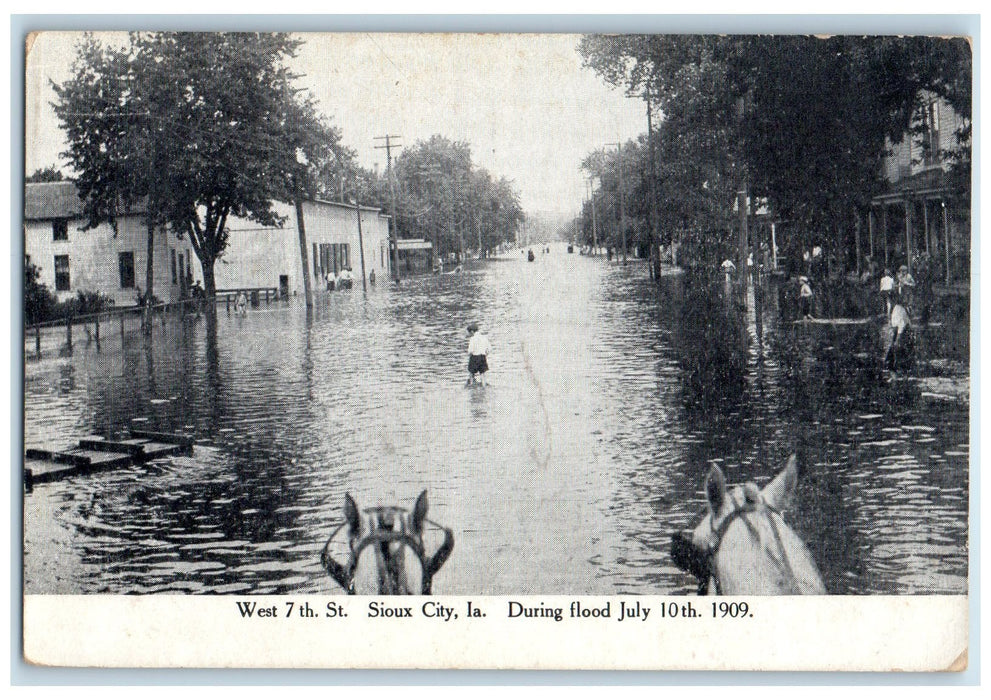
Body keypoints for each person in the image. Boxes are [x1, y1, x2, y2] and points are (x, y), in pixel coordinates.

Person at [885, 296, 913, 372]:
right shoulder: (895, 310)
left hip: (904, 335)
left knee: (898, 348)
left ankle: (898, 365)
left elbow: (902, 326)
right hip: (900, 334)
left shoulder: (898, 310)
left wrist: (897, 339)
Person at [466, 322, 490, 387]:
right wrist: (485, 355)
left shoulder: (472, 339)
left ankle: (471, 385)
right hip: (483, 356)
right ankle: (484, 386)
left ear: (472, 332)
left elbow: (470, 350)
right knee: (483, 374)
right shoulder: (484, 338)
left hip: (474, 357)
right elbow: (489, 349)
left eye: (469, 332)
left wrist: (469, 355)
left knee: (471, 373)